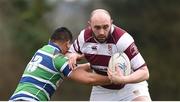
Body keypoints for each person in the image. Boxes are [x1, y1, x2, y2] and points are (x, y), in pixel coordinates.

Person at [68, 9, 151, 101]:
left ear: (111, 23)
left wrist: (123, 79)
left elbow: (144, 72)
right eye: (97, 27)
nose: (102, 32)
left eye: (105, 27)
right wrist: (73, 55)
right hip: (102, 90)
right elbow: (69, 54)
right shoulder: (83, 37)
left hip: (130, 86)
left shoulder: (122, 39)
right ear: (90, 25)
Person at [9, 27, 110, 101]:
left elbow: (69, 68)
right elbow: (89, 79)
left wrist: (90, 65)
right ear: (67, 44)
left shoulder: (41, 51)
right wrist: (114, 79)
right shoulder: (57, 57)